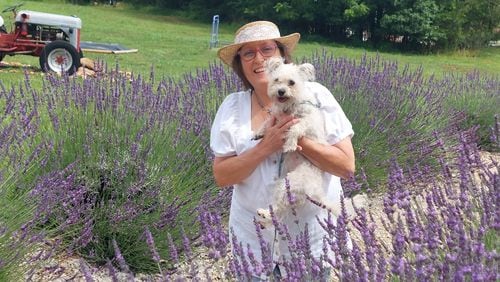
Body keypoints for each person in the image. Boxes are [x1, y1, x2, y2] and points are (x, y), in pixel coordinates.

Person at [211, 21, 355, 280]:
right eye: (248, 53)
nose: (259, 59)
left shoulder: (317, 97)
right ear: (240, 64)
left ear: (281, 56)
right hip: (253, 241)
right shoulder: (232, 108)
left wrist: (299, 139)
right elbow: (222, 176)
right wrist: (266, 146)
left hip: (309, 241)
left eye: (267, 49)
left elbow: (346, 166)